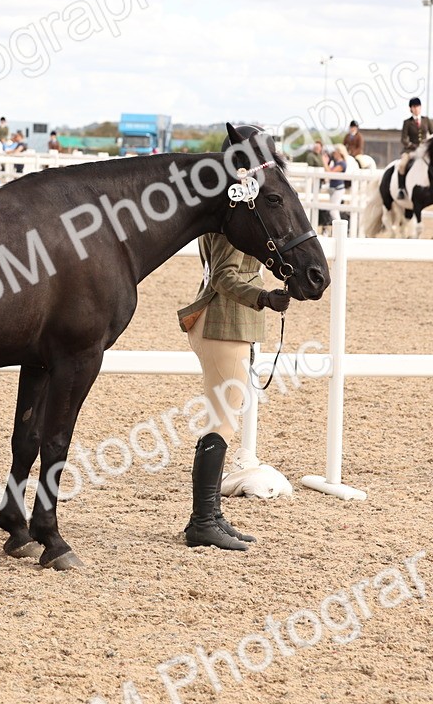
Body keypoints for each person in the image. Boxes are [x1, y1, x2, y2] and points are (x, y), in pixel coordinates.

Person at [176, 128, 294, 552]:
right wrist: (263, 296)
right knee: (222, 420)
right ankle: (202, 520)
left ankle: (211, 516)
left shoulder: (234, 201)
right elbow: (227, 276)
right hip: (222, 323)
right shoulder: (237, 207)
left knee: (224, 418)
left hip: (224, 323)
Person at [397, 97, 432, 199]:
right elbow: (404, 139)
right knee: (402, 165)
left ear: (420, 108)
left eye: (417, 106)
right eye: (414, 107)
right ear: (410, 109)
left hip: (424, 150)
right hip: (411, 150)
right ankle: (401, 189)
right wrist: (413, 146)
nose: (416, 109)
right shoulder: (407, 122)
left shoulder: (426, 120)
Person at [325, 145, 352, 232]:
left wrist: (324, 162)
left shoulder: (342, 163)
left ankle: (340, 230)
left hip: (338, 188)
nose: (334, 154)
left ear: (339, 153)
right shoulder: (336, 162)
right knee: (333, 210)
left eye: (335, 152)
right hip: (333, 188)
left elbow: (330, 172)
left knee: (333, 211)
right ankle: (337, 230)